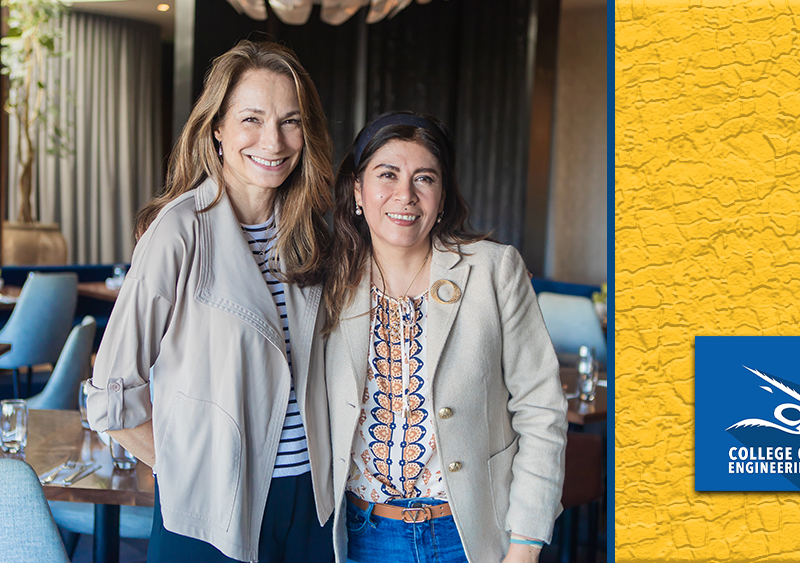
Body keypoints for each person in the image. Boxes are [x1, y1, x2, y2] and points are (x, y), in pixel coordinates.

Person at [86, 41, 335, 563]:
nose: (274, 140)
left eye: (291, 121)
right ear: (217, 128)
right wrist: (188, 469)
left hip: (312, 508)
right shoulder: (180, 230)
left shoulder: (311, 237)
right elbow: (110, 396)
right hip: (214, 509)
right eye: (252, 119)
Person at [322, 111, 568, 563]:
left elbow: (541, 410)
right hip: (361, 538)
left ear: (441, 195)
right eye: (387, 175)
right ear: (358, 189)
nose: (405, 195)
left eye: (425, 179)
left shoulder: (494, 271)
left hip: (471, 536)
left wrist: (525, 545)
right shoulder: (326, 284)